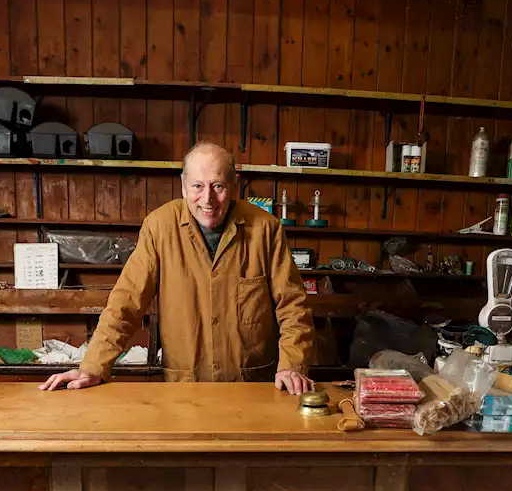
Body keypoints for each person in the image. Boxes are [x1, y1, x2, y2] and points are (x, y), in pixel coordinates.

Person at [40, 142, 315, 394]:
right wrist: (93, 367)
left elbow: (293, 306)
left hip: (253, 387)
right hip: (184, 388)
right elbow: (126, 302)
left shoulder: (266, 229)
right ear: (183, 187)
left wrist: (292, 364)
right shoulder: (159, 227)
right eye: (197, 186)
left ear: (234, 185)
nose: (207, 198)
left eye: (218, 186)